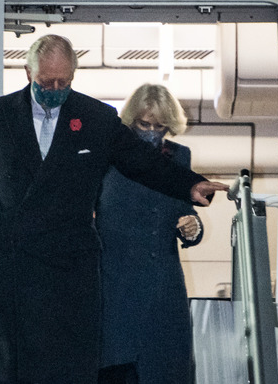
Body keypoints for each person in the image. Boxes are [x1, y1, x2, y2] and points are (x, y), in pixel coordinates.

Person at [0, 34, 228, 384]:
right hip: (11, 259)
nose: (54, 89)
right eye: (46, 81)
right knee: (10, 370)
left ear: (73, 76)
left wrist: (189, 184)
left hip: (71, 267)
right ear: (28, 72)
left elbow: (141, 162)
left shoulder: (95, 118)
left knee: (69, 370)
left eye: (63, 82)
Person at [96, 84, 202, 384]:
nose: (152, 132)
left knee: (165, 370)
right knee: (117, 369)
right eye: (145, 124)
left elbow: (185, 211)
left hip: (162, 286)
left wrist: (192, 227)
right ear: (131, 121)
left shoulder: (179, 156)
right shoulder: (108, 155)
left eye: (160, 126)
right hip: (115, 285)